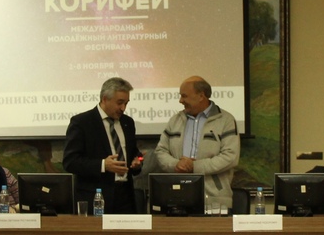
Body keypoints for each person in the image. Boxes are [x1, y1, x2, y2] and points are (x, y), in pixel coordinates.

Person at [153, 76, 239, 211]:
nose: (180, 100)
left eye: (184, 96)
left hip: (214, 200)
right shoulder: (175, 120)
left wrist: (194, 167)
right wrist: (176, 165)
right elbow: (160, 151)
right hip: (176, 198)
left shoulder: (225, 120)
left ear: (201, 96)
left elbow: (230, 157)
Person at [63, 77, 144, 213]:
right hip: (96, 196)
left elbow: (134, 153)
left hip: (125, 197)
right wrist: (103, 165)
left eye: (126, 103)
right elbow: (70, 162)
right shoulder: (82, 122)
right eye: (120, 103)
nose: (123, 108)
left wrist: (137, 162)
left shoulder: (127, 122)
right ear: (105, 99)